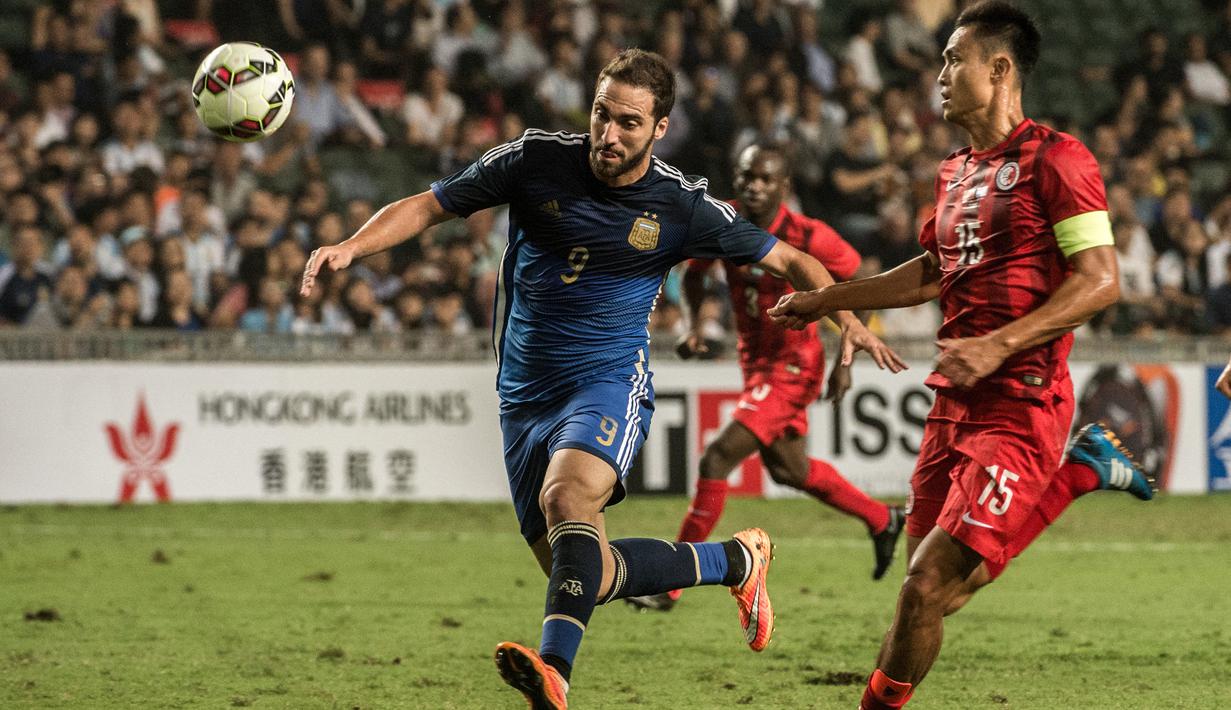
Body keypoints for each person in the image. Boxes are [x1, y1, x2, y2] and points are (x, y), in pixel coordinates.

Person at [301, 49, 904, 710]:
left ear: (659, 128)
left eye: (627, 123)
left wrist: (845, 321)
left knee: (568, 501)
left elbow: (794, 259)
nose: (608, 136)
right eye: (600, 115)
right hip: (521, 396)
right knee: (582, 570)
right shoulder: (532, 161)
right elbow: (427, 205)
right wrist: (351, 247)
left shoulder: (680, 205)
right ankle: (733, 561)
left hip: (607, 381)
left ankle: (553, 673)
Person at [768, 4, 1155, 708]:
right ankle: (1079, 474)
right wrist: (827, 301)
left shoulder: (1059, 158)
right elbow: (929, 272)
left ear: (999, 69)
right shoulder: (953, 172)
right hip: (955, 405)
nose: (940, 75)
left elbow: (1101, 280)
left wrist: (999, 343)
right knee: (934, 593)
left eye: (953, 59)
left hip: (1023, 400)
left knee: (923, 585)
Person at [626, 144, 905, 616]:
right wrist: (695, 326)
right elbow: (694, 273)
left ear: (784, 186)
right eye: (746, 176)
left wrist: (846, 355)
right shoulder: (724, 220)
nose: (754, 185)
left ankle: (670, 586)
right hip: (756, 363)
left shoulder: (807, 236)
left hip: (794, 366)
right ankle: (884, 518)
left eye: (765, 178)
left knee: (716, 459)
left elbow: (859, 280)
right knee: (789, 469)